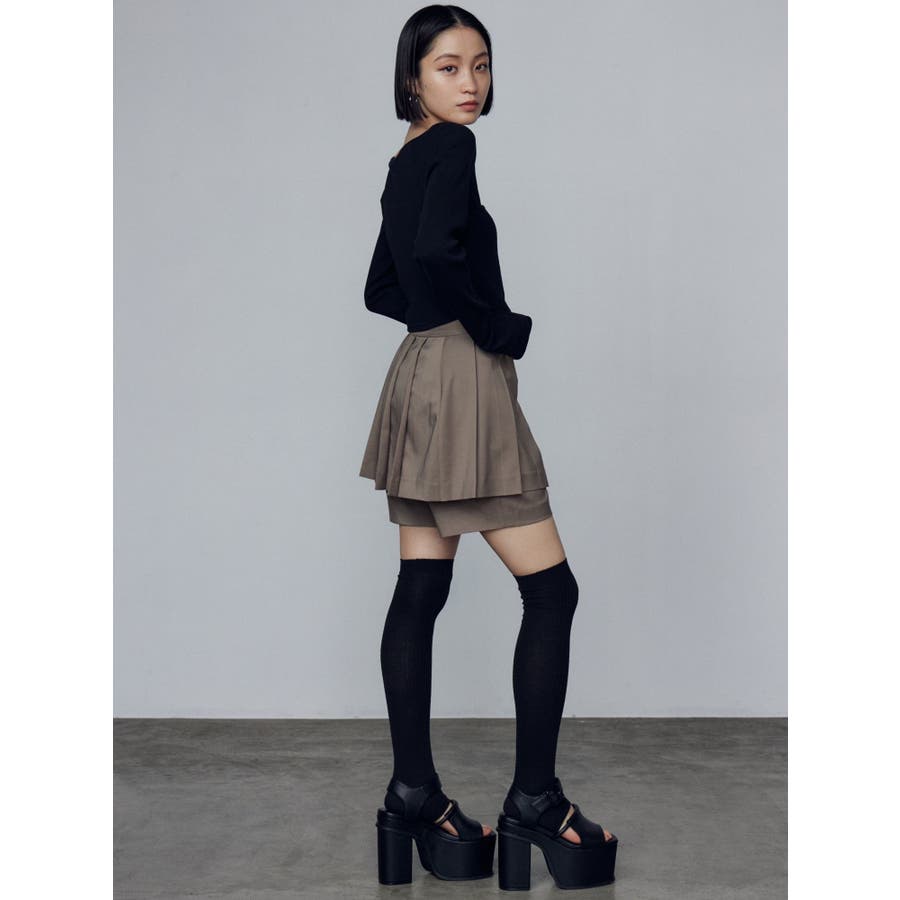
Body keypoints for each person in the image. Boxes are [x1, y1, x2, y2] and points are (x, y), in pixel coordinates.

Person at [358, 6, 618, 890]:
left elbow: (382, 286)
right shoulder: (454, 149)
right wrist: (494, 328)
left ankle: (411, 797)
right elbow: (435, 253)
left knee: (421, 587)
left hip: (415, 378)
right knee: (552, 590)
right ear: (412, 78)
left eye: (481, 64)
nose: (470, 82)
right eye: (448, 67)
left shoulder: (404, 159)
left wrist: (436, 327)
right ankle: (535, 802)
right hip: (463, 380)